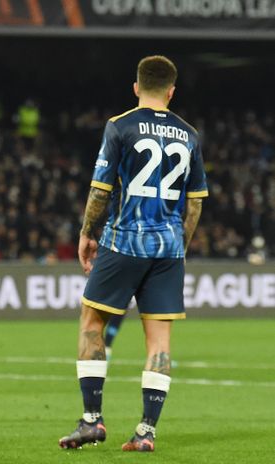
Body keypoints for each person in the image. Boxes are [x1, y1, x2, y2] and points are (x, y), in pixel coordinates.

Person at [59, 56, 208, 452]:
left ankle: (92, 420)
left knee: (92, 320)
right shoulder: (189, 134)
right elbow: (194, 204)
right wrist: (180, 246)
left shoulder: (120, 125)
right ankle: (146, 431)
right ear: (172, 92)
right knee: (159, 342)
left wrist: (88, 233)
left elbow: (100, 190)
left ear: (136, 87)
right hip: (168, 249)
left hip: (125, 240)